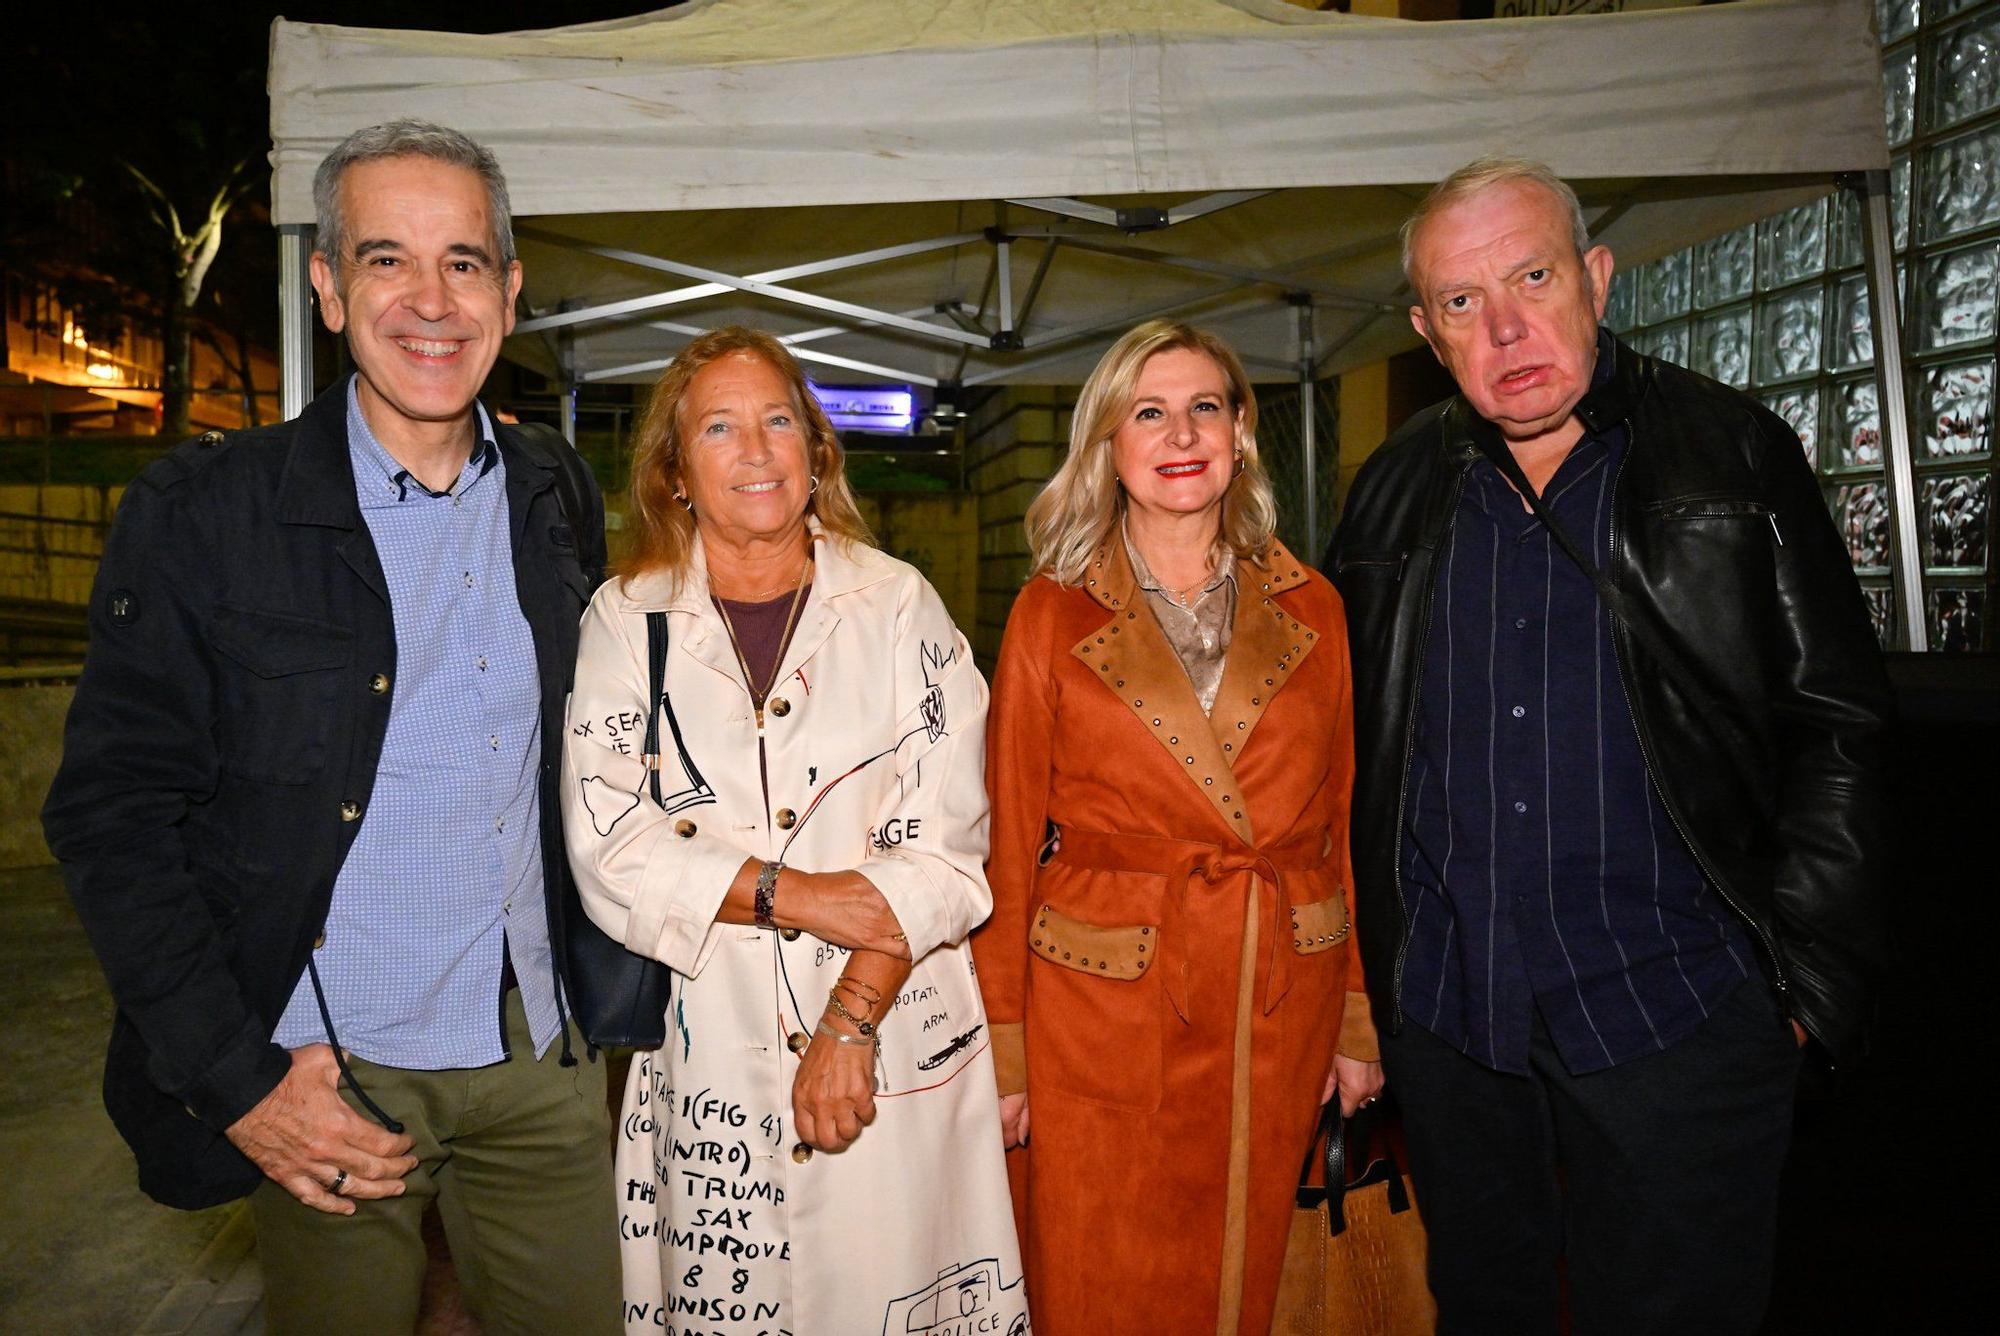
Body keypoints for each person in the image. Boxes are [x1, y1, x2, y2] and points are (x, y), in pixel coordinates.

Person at [41, 120, 620, 1333]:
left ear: (509, 294)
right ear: (326, 285)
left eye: (463, 261)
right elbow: (113, 819)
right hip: (328, 1066)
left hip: (535, 1055)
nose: (430, 301)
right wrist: (241, 1083)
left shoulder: (551, 488)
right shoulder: (206, 513)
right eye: (385, 258)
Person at [1328, 158, 1893, 1336]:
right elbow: (1348, 755)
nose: (1507, 326)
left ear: (1592, 278)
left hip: (1677, 1016)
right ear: (1429, 333)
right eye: (1462, 301)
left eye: (1531, 275)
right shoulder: (1388, 497)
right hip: (1454, 1021)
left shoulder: (1730, 455)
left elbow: (1836, 727)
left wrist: (1799, 992)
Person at [561, 327, 1027, 1335]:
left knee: (890, 1294)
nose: (756, 449)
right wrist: (798, 893)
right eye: (718, 426)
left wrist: (848, 1020)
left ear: (817, 450)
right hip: (710, 1057)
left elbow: (947, 850)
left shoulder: (900, 607)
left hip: (895, 1032)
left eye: (778, 419)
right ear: (675, 472)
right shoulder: (624, 619)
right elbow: (610, 848)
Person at [974, 318, 1383, 1334]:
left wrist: (1355, 1012)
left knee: (1247, 1275)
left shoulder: (1316, 605)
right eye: (1146, 412)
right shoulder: (1050, 612)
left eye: (1205, 405)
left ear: (1241, 430)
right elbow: (1008, 833)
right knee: (1098, 1269)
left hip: (1275, 989)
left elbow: (1342, 822)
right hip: (1102, 1001)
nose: (1180, 431)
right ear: (1107, 446)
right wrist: (1006, 1046)